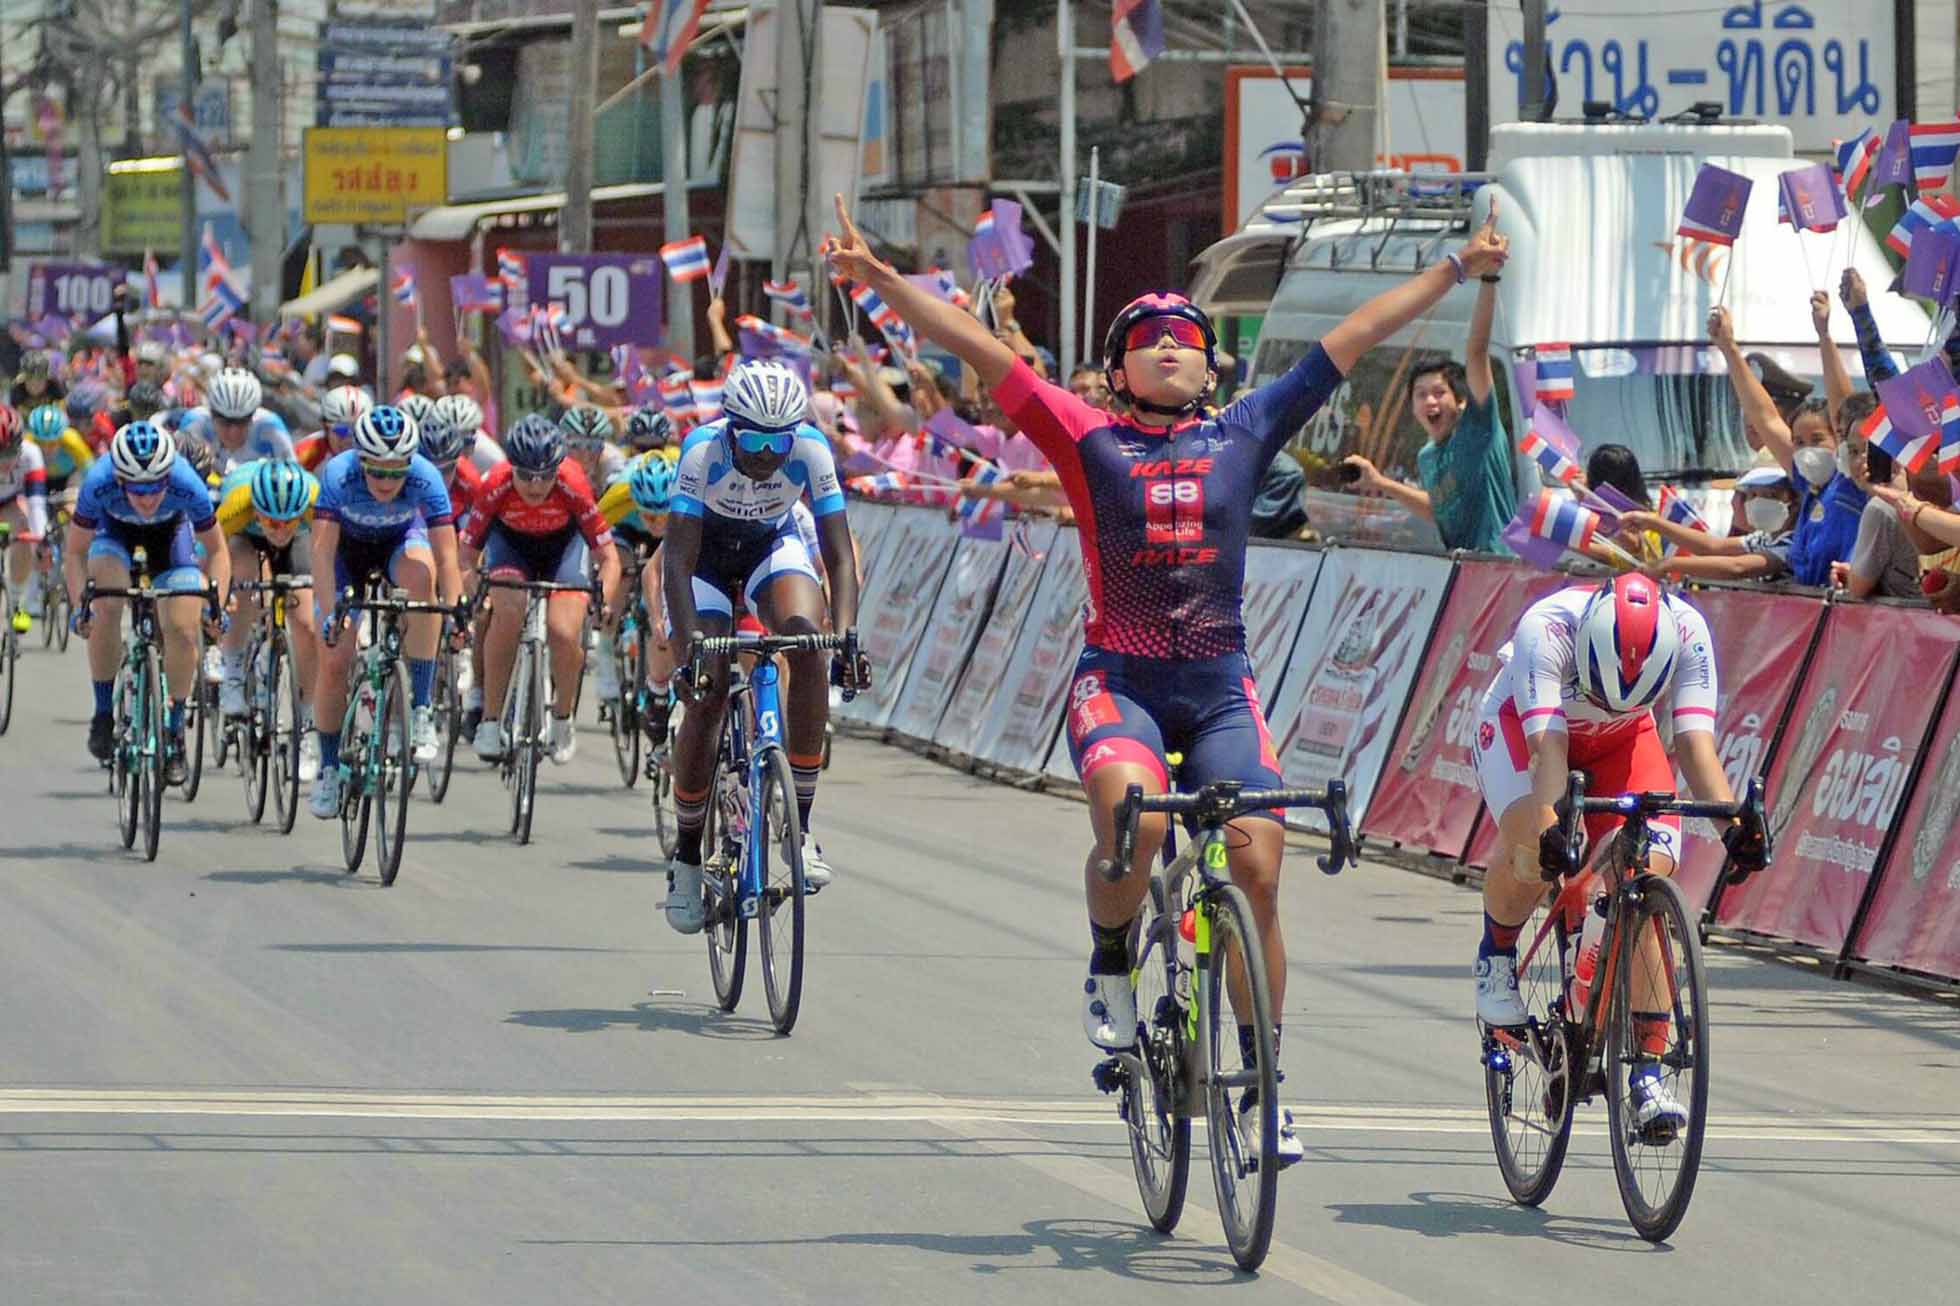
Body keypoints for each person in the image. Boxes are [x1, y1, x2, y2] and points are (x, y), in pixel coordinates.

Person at [826, 189, 1509, 1164]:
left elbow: (1353, 335)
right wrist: (882, 280)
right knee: (1138, 823)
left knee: (1260, 873)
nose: (1169, 344)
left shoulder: (1244, 430)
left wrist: (1455, 270)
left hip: (1222, 689)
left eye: (1185, 334)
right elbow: (984, 355)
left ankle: (1262, 1083)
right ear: (1116, 367)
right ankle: (1109, 960)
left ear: (1210, 361)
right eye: (1146, 336)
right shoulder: (1083, 435)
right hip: (1122, 684)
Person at [1470, 573, 1764, 1134]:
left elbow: (1695, 745)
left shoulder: (1688, 630)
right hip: (1525, 728)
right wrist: (1555, 828)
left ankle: (1647, 1074)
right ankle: (1497, 956)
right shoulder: (1547, 628)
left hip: (1627, 739)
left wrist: (1733, 829)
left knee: (1648, 871)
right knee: (1535, 854)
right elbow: (1547, 750)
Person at [661, 358, 867, 930]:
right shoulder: (702, 451)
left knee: (809, 643)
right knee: (708, 692)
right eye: (752, 439)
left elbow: (840, 555)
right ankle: (684, 856)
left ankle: (798, 829)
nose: (767, 455)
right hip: (701, 559)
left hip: (769, 547)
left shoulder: (811, 448)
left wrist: (847, 637)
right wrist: (688, 658)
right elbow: (676, 562)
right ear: (730, 427)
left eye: (780, 442)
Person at [307, 405, 465, 818]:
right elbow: (322, 554)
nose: (386, 481)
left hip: (398, 543)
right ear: (361, 462)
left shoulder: (426, 477)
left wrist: (458, 607)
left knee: (423, 578)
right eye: (377, 472)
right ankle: (327, 768)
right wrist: (329, 613)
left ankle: (421, 705)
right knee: (334, 659)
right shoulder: (339, 475)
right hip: (346, 555)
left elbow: (448, 557)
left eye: (397, 473)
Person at [66, 422, 231, 782]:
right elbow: (76, 552)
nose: (146, 498)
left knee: (184, 629)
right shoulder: (99, 481)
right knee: (106, 606)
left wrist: (217, 603)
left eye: (155, 487)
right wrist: (82, 604)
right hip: (114, 532)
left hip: (170, 535)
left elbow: (217, 550)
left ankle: (175, 732)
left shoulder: (186, 483)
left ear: (168, 477)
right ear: (120, 480)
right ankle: (104, 712)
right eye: (137, 489)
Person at [460, 415, 621, 766]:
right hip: (511, 549)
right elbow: (466, 556)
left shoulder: (573, 483)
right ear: (511, 467)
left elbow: (608, 558)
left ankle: (563, 718)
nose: (535, 486)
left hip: (563, 550)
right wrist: (473, 591)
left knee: (564, 632)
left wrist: (602, 602)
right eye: (526, 475)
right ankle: (490, 720)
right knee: (508, 612)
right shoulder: (495, 483)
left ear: (558, 469)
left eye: (545, 476)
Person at [1339, 257, 1515, 553]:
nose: (1430, 401)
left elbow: (1476, 350)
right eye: (1420, 394)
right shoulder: (1427, 457)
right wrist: (1380, 481)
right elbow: (1437, 511)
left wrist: (1488, 280)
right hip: (1460, 573)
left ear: (1460, 401)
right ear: (1412, 407)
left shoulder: (1478, 428)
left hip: (1499, 568)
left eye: (1438, 392)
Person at [1707, 305, 1861, 585]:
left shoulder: (1850, 481)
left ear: (1839, 437)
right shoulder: (1807, 485)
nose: (1807, 451)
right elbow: (1765, 418)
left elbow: (1844, 407)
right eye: (1799, 442)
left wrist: (1824, 336)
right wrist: (1729, 349)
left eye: (1817, 441)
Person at [213, 458, 324, 779]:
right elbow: (208, 548)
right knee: (244, 578)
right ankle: (233, 670)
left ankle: (304, 726)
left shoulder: (314, 504)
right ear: (257, 510)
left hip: (301, 542)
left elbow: (333, 553)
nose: (280, 528)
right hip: (245, 538)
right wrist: (220, 595)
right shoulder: (238, 504)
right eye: (272, 522)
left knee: (305, 623)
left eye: (287, 521)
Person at [598, 452, 681, 745]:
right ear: (636, 503)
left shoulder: (682, 490)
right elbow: (591, 538)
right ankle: (606, 649)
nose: (656, 522)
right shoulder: (620, 496)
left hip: (674, 533)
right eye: (649, 515)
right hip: (626, 531)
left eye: (662, 515)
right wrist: (600, 593)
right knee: (619, 574)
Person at [1621, 465, 1798, 582]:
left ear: (1795, 500)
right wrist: (1653, 523)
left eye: (1771, 495)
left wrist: (1669, 564)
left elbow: (1737, 567)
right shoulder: (1764, 538)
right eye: (1753, 495)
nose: (1759, 502)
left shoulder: (1793, 543)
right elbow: (1713, 546)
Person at [177, 367, 295, 475]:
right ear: (211, 413)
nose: (233, 432)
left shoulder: (269, 427)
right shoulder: (195, 424)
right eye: (225, 422)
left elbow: (293, 473)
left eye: (242, 422)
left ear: (253, 415)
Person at [0, 406, 49, 632]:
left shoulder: (31, 453)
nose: (6, 461)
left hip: (10, 501)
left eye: (11, 452)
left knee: (24, 528)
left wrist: (40, 540)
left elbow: (36, 502)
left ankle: (17, 600)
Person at [294, 386, 374, 470]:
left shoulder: (378, 453)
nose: (350, 437)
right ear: (325, 427)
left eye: (358, 429)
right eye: (342, 429)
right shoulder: (306, 453)